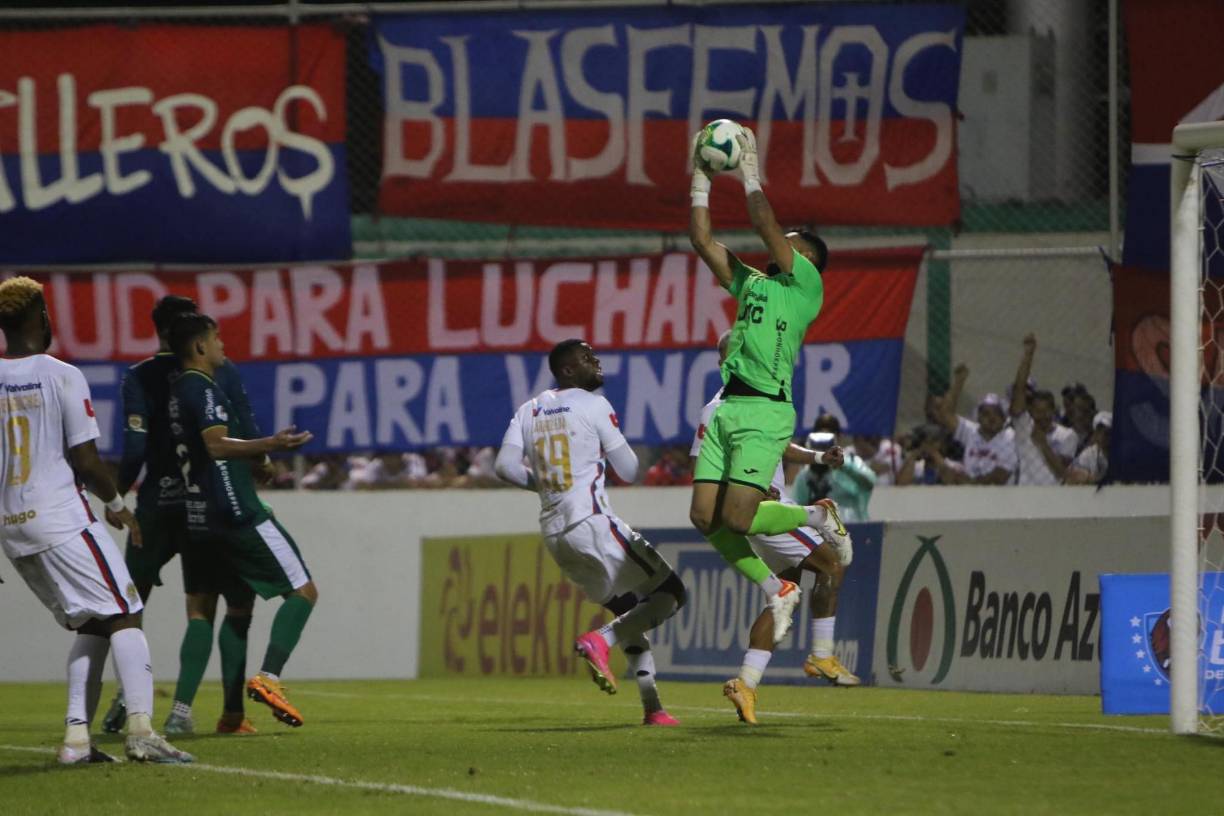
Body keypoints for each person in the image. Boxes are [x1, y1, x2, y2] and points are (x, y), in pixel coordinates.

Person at [0, 276, 192, 764]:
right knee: (125, 610)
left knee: (92, 619)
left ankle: (76, 742)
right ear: (39, 319)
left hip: (14, 525)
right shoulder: (62, 374)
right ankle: (143, 732)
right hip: (61, 515)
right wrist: (117, 504)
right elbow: (85, 459)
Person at [686, 123, 850, 645]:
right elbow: (701, 240)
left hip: (765, 410)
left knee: (739, 518)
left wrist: (748, 166)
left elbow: (763, 222)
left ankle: (814, 514)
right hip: (729, 409)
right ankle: (777, 590)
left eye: (793, 241)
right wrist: (700, 177)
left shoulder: (805, 285)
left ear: (806, 260)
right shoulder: (752, 283)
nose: (784, 240)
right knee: (704, 518)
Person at [495, 339, 685, 726]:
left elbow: (504, 466)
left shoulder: (528, 410)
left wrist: (548, 485)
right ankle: (599, 641)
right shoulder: (593, 404)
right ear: (567, 370)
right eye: (586, 358)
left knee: (628, 611)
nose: (596, 362)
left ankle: (653, 708)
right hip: (592, 521)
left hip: (556, 536)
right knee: (670, 594)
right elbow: (630, 471)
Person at [104, 295, 264, 737]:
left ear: (157, 330)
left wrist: (117, 497)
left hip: (156, 506)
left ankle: (127, 695)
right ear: (196, 336)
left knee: (127, 606)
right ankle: (230, 712)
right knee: (223, 606)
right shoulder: (219, 371)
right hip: (208, 503)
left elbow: (134, 448)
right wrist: (261, 467)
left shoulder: (139, 376)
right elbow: (246, 431)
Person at [691, 332, 857, 725]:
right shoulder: (722, 409)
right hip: (767, 511)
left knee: (783, 592)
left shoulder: (736, 404)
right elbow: (708, 469)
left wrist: (817, 456)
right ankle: (821, 654)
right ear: (725, 363)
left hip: (762, 514)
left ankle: (746, 683)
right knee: (832, 564)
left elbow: (779, 445)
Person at [167, 313, 316, 728]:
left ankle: (209, 714)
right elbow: (215, 446)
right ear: (199, 347)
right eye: (216, 339)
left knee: (224, 607)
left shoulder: (175, 391)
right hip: (235, 512)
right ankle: (269, 678)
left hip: (197, 517)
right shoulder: (203, 387)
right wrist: (270, 445)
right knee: (303, 591)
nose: (223, 346)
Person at [931, 363, 1018, 485]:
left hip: (999, 496)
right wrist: (958, 382)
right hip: (970, 492)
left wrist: (970, 484)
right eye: (986, 414)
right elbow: (945, 415)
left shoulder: (1010, 437)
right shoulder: (972, 431)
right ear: (978, 417)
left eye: (997, 413)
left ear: (1004, 418)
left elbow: (1000, 477)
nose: (992, 418)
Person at [1010, 335, 1078, 484]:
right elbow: (1019, 390)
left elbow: (1062, 472)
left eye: (1046, 410)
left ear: (1054, 410)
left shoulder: (1067, 435)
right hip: (1025, 495)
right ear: (1030, 411)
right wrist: (1028, 355)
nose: (1042, 416)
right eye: (1037, 411)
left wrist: (1043, 443)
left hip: (1052, 496)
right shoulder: (1024, 427)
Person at [792, 415, 877, 520]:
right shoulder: (807, 473)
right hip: (819, 531)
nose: (825, 446)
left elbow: (869, 483)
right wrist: (817, 461)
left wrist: (842, 464)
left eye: (829, 439)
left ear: (839, 438)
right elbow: (797, 507)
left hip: (853, 528)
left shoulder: (852, 462)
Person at [1066, 411, 1112, 484]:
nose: (1102, 436)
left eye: (1108, 432)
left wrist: (1093, 478)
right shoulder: (1088, 454)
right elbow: (1071, 476)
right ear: (1095, 434)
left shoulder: (1124, 453)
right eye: (1099, 431)